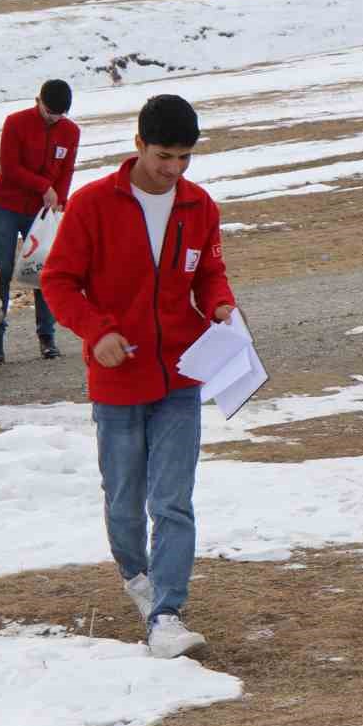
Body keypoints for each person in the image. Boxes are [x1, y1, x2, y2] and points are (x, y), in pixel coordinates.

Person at [42, 94, 238, 659]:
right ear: (138, 145)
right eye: (163, 156)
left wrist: (221, 305)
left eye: (183, 158)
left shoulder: (199, 206)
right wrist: (96, 332)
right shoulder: (93, 204)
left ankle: (168, 613)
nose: (173, 169)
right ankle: (137, 577)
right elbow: (58, 282)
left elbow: (211, 273)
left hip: (182, 373)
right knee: (125, 500)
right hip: (118, 380)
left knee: (173, 500)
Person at [0, 79, 81, 365]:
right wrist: (43, 186)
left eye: (59, 114)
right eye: (50, 112)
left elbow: (66, 170)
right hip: (7, 206)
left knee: (42, 272)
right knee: (2, 270)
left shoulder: (70, 131)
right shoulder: (15, 123)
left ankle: (47, 337)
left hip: (41, 213)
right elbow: (10, 167)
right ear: (38, 101)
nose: (54, 118)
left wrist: (59, 202)